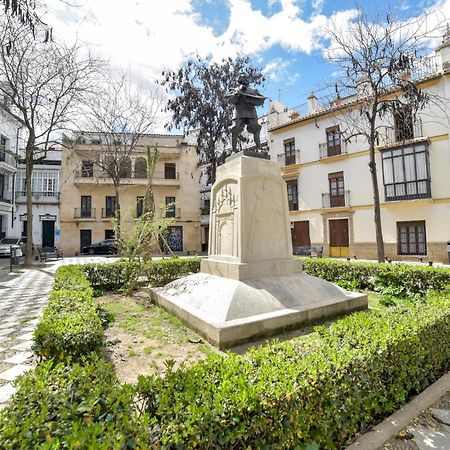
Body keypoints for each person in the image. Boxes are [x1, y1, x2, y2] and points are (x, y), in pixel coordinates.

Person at [226, 76, 266, 153]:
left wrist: (252, 99)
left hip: (251, 112)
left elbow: (261, 99)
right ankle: (234, 150)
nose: (244, 79)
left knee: (256, 128)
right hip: (239, 112)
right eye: (242, 78)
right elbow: (230, 100)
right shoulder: (234, 90)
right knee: (235, 129)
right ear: (239, 80)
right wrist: (237, 94)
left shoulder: (254, 91)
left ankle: (259, 148)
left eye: (245, 78)